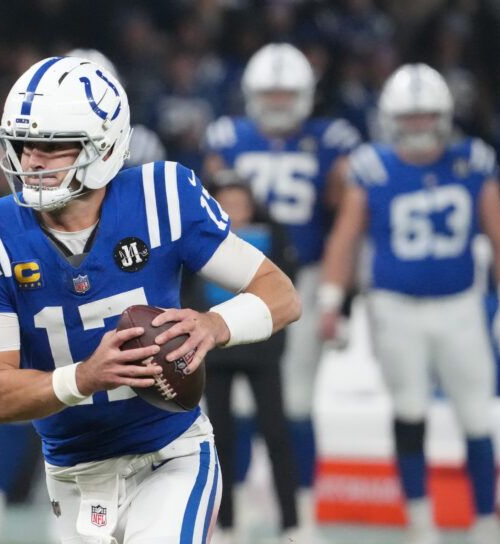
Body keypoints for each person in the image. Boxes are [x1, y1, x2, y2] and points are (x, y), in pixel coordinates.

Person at [0, 56, 301, 544]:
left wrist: (214, 325)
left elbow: (280, 293)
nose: (32, 160)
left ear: (106, 145)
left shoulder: (163, 197)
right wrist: (87, 376)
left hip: (170, 454)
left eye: (51, 146)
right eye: (24, 144)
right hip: (74, 473)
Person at [0, 47, 166, 544]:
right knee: (27, 389)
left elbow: (156, 228)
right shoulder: (19, 161)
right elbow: (10, 195)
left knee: (135, 406)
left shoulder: (148, 159)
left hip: (124, 287)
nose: (36, 154)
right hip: (46, 282)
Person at [319, 63, 500, 544]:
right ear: (391, 117)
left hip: (460, 305)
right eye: (411, 116)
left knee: (477, 417)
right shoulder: (373, 166)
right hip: (395, 309)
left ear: (443, 115)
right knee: (408, 412)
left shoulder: (472, 160)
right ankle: (421, 526)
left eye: (427, 116)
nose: (419, 125)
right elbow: (346, 238)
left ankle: (485, 521)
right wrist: (331, 302)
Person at [202, 42, 360, 539]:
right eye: (268, 91)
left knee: (294, 401)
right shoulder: (227, 135)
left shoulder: (331, 138)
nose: (276, 101)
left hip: (305, 276)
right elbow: (204, 213)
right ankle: (241, 504)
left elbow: (344, 217)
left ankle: (302, 511)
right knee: (237, 407)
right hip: (237, 276)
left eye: (286, 92)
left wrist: (341, 295)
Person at [184, 181, 299, 544]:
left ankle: (293, 524)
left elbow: (284, 297)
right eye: (227, 201)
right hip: (215, 352)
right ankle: (228, 525)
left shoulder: (273, 236)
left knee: (277, 435)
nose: (235, 208)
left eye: (240, 201)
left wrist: (274, 342)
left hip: (261, 351)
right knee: (220, 439)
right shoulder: (199, 240)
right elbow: (187, 291)